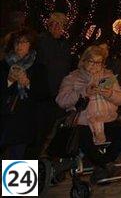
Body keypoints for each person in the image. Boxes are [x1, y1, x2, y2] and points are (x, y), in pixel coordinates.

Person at [56, 45, 121, 181]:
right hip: (83, 122)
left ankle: (102, 164)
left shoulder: (108, 76)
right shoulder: (72, 78)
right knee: (83, 136)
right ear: (84, 61)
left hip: (106, 120)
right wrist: (83, 92)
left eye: (99, 62)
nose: (95, 65)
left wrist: (109, 93)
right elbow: (61, 100)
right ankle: (106, 164)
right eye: (92, 61)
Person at [0, 28, 49, 159]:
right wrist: (10, 81)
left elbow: (44, 94)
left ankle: (17, 173)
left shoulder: (39, 68)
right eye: (17, 42)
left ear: (31, 45)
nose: (19, 45)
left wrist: (28, 84)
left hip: (25, 121)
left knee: (19, 163)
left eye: (24, 42)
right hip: (5, 118)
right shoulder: (3, 65)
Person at [34, 11, 74, 156]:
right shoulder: (41, 41)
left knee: (51, 132)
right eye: (54, 24)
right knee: (36, 134)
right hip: (43, 95)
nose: (57, 28)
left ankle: (45, 162)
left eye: (61, 25)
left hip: (58, 94)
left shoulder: (65, 44)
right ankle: (28, 166)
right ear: (49, 25)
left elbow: (67, 68)